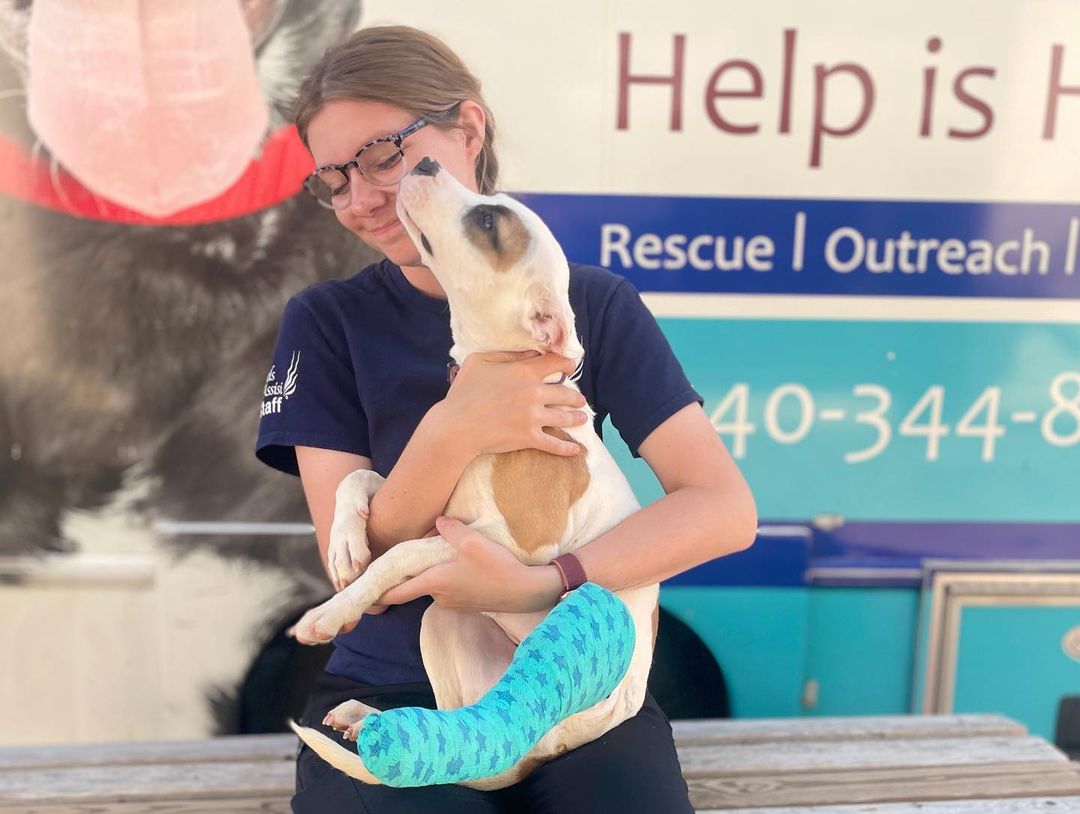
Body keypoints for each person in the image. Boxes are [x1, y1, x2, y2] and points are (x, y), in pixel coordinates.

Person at [255, 24, 757, 814]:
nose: (361, 199)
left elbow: (723, 510)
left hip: (572, 680)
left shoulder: (585, 304)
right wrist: (460, 424)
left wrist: (540, 583)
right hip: (392, 684)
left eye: (384, 155)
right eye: (333, 180)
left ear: (470, 129)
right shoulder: (326, 323)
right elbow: (356, 569)